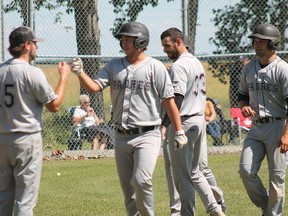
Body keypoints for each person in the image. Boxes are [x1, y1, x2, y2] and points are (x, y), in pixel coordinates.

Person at [70, 21, 187, 216]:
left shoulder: (155, 67)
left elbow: (169, 102)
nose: (124, 44)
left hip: (148, 134)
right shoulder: (114, 65)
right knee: (129, 193)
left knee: (142, 180)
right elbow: (94, 87)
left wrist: (179, 130)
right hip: (121, 135)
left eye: (129, 40)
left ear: (141, 42)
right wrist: (80, 73)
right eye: (122, 40)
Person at [0, 26, 71, 215]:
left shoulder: (1, 70)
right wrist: (63, 78)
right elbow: (54, 106)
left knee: (3, 199)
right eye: (34, 44)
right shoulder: (32, 72)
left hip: (2, 139)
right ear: (26, 45)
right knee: (25, 200)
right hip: (26, 138)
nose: (36, 48)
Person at [160, 28, 225, 216]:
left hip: (184, 122)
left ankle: (188, 213)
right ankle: (216, 209)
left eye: (167, 45)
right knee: (195, 171)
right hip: (198, 121)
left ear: (179, 41)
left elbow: (176, 100)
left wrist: (165, 124)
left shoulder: (179, 66)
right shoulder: (196, 62)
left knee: (183, 176)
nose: (165, 49)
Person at [238, 23, 288, 216]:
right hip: (256, 127)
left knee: (277, 178)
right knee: (245, 171)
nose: (255, 44)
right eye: (255, 41)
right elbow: (242, 96)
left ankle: (273, 214)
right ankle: (268, 206)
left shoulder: (283, 69)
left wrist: (286, 134)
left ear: (272, 43)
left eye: (260, 41)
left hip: (277, 126)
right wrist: (244, 107)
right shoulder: (249, 68)